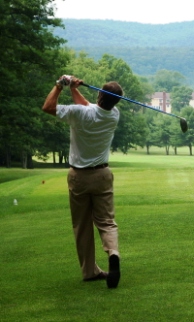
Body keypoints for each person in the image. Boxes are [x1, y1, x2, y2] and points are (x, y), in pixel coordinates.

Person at [42, 75, 122, 288]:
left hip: (79, 177)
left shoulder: (79, 113)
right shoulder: (114, 114)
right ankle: (113, 253)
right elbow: (89, 107)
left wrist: (60, 85)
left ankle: (89, 271)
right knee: (106, 221)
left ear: (99, 95)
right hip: (103, 175)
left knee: (82, 225)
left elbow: (48, 107)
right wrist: (73, 89)